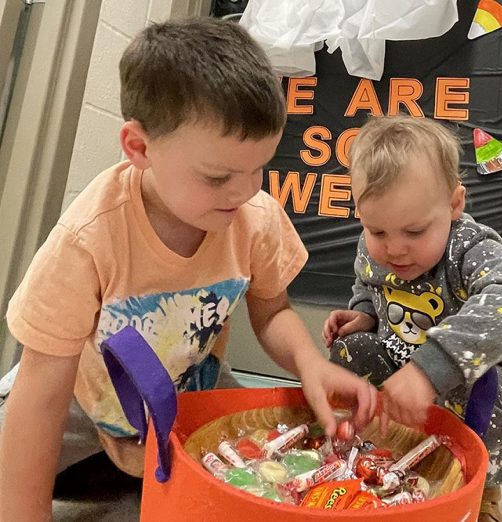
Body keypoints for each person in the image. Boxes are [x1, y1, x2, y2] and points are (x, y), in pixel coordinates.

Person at [0, 17, 376, 520]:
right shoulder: (88, 238)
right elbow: (41, 399)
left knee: (281, 470)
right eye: (218, 176)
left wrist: (312, 365)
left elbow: (272, 312)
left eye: (258, 168)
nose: (243, 192)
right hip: (83, 404)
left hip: (190, 390)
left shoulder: (255, 217)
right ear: (139, 148)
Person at [323, 115, 502, 522]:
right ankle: (377, 448)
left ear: (454, 205)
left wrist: (430, 370)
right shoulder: (374, 246)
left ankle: (483, 483)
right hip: (399, 354)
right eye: (378, 231)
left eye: (415, 232)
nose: (395, 249)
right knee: (349, 351)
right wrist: (365, 315)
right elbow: (369, 283)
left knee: (497, 389)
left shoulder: (469, 245)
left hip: (468, 375)